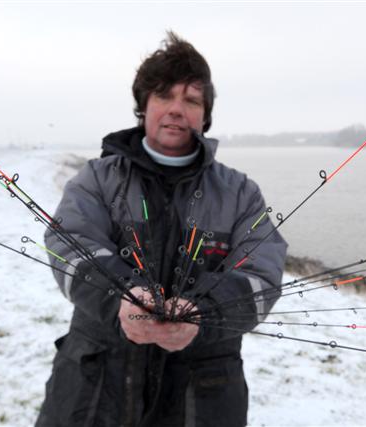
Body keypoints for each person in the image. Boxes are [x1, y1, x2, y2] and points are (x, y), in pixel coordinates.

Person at [36, 31, 287, 427]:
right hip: (94, 388)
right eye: (164, 96)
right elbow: (68, 244)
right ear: (143, 107)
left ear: (205, 115)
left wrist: (204, 313)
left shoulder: (241, 193)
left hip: (203, 396)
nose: (176, 109)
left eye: (191, 100)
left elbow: (262, 274)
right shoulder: (96, 179)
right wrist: (121, 298)